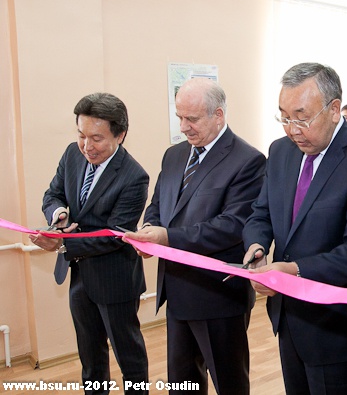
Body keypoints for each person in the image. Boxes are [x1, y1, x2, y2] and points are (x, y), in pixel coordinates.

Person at [242, 62, 347, 395]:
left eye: (302, 117)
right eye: (284, 117)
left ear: (334, 110)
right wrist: (256, 247)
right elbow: (261, 213)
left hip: (338, 328)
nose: (292, 130)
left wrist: (294, 271)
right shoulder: (280, 151)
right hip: (288, 319)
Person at [124, 78, 266, 395]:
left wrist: (167, 239)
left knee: (229, 384)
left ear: (218, 115)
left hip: (218, 296)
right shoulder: (174, 155)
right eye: (179, 117)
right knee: (182, 383)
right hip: (176, 290)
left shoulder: (248, 160)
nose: (183, 127)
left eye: (192, 118)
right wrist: (149, 231)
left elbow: (232, 225)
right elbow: (158, 204)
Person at [29, 92, 149, 394]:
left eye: (96, 138)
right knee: (91, 358)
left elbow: (113, 235)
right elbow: (53, 194)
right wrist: (58, 214)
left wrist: (61, 244)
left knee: (129, 357)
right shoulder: (72, 154)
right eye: (81, 135)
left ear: (120, 135)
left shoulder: (134, 176)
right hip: (79, 277)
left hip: (115, 279)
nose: (87, 146)